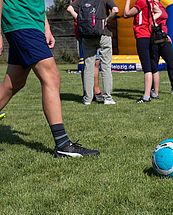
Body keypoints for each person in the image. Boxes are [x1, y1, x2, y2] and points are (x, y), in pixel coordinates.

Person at [0, 0, 99, 157]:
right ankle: (63, 144)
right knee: (51, 77)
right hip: (21, 21)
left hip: (33, 24)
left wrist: (46, 28)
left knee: (14, 83)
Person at [67, 0, 118, 105]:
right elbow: (115, 10)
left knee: (88, 67)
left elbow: (69, 8)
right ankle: (108, 97)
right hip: (104, 33)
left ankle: (87, 99)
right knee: (106, 67)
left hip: (87, 35)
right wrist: (107, 19)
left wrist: (79, 19)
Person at [124, 0, 160, 103]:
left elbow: (126, 14)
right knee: (153, 65)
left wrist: (127, 1)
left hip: (142, 35)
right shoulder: (151, 2)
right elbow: (159, 12)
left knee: (146, 67)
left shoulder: (141, 2)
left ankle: (146, 96)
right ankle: (155, 93)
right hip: (150, 35)